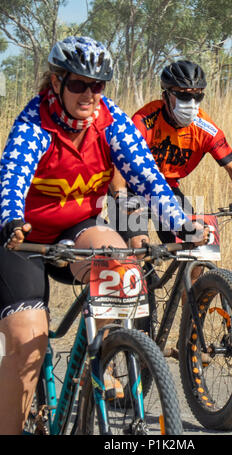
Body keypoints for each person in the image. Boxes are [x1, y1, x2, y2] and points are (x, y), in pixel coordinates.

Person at [0, 39, 205, 435]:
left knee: (122, 267)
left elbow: (147, 178)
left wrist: (181, 223)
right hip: (21, 238)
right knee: (29, 337)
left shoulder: (110, 119)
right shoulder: (34, 123)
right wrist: (11, 219)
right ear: (56, 82)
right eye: (79, 84)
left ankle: (100, 368)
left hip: (76, 227)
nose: (90, 94)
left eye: (99, 85)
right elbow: (12, 179)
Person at [110, 59, 232, 248]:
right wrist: (120, 197)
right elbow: (119, 164)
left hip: (167, 190)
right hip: (131, 185)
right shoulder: (144, 121)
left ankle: (193, 279)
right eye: (183, 96)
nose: (191, 103)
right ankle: (142, 275)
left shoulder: (205, 129)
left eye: (197, 96)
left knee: (199, 244)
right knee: (139, 246)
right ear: (166, 95)